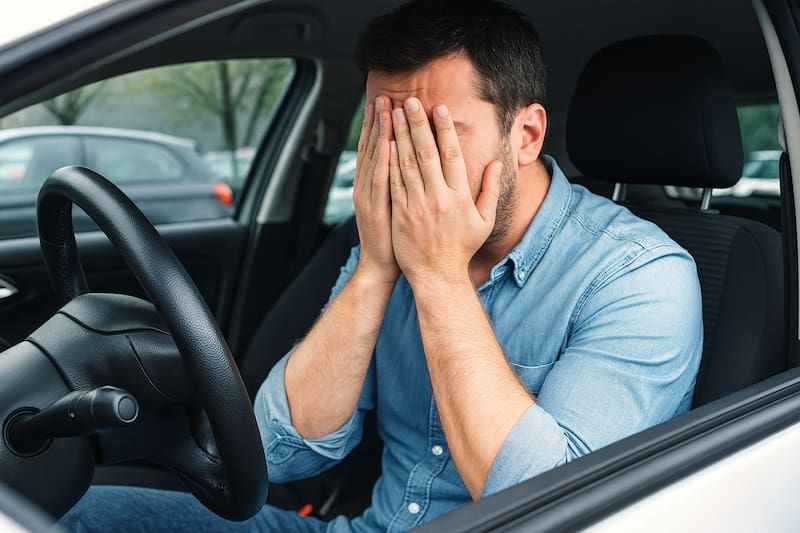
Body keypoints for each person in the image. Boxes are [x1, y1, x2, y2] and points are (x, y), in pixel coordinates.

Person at [60, 0, 703, 531]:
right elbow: (281, 451)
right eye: (387, 137)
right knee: (65, 510)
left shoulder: (639, 276)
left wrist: (441, 276)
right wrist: (374, 267)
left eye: (437, 138)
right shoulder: (386, 244)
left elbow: (550, 502)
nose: (407, 169)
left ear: (527, 136)